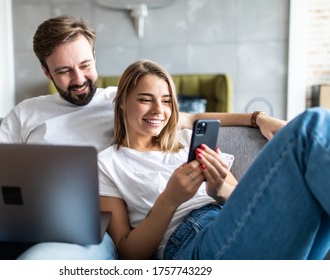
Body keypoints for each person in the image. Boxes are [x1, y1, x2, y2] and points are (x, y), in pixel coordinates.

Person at [0, 16, 285, 260]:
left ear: (94, 57)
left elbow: (184, 117)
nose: (79, 79)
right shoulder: (25, 113)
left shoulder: (120, 100)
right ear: (46, 72)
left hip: (91, 234)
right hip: (24, 223)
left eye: (85, 65)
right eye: (63, 71)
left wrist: (258, 118)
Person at [98, 59, 330, 260]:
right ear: (121, 101)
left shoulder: (188, 141)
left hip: (228, 221)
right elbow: (128, 252)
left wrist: (219, 190)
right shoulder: (107, 164)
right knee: (311, 125)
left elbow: (243, 202)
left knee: (320, 128)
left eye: (167, 101)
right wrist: (169, 200)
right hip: (191, 242)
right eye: (146, 99)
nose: (159, 110)